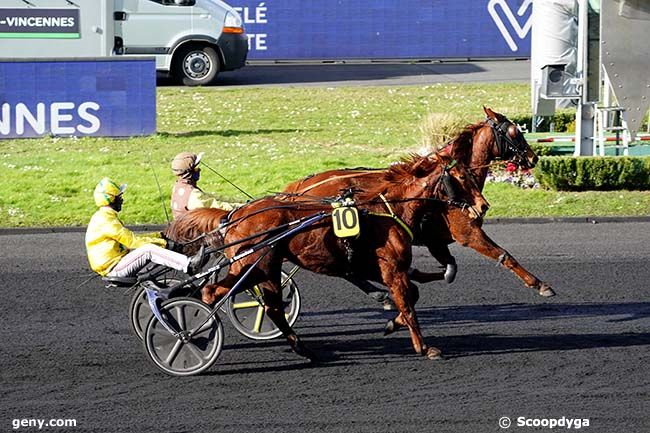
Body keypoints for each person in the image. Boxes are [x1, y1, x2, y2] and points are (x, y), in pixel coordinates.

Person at [86, 177, 205, 278]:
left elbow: (133, 237)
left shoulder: (105, 217)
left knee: (151, 251)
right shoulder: (106, 220)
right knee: (148, 250)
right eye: (119, 197)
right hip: (113, 268)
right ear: (111, 199)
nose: (122, 200)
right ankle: (189, 265)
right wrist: (164, 243)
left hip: (117, 262)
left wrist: (159, 236)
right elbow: (132, 241)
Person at [170, 152, 240, 219]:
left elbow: (212, 197)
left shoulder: (178, 186)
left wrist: (239, 202)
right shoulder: (193, 194)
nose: (199, 170)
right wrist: (241, 207)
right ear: (189, 172)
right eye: (196, 168)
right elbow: (217, 206)